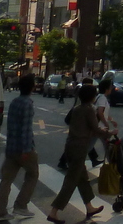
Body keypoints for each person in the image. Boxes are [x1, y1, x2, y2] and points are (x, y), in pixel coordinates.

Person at [46, 84, 106, 224]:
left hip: (70, 145)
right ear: (92, 97)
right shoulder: (89, 110)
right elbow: (95, 129)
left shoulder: (76, 109)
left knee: (82, 178)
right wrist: (109, 133)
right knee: (71, 181)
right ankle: (54, 212)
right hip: (80, 147)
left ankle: (89, 207)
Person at [0, 74, 38, 222]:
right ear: (32, 87)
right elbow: (25, 129)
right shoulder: (28, 104)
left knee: (6, 180)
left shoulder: (14, 102)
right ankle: (20, 205)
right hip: (23, 149)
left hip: (11, 148)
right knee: (32, 175)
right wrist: (26, 150)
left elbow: (12, 127)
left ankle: (0, 212)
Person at [92, 79, 116, 166]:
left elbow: (102, 112)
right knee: (107, 145)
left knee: (90, 145)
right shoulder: (102, 98)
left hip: (98, 126)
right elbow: (100, 112)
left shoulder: (99, 97)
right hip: (100, 127)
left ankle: (111, 163)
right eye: (111, 87)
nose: (112, 88)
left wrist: (111, 120)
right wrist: (106, 123)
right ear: (106, 89)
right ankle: (112, 164)